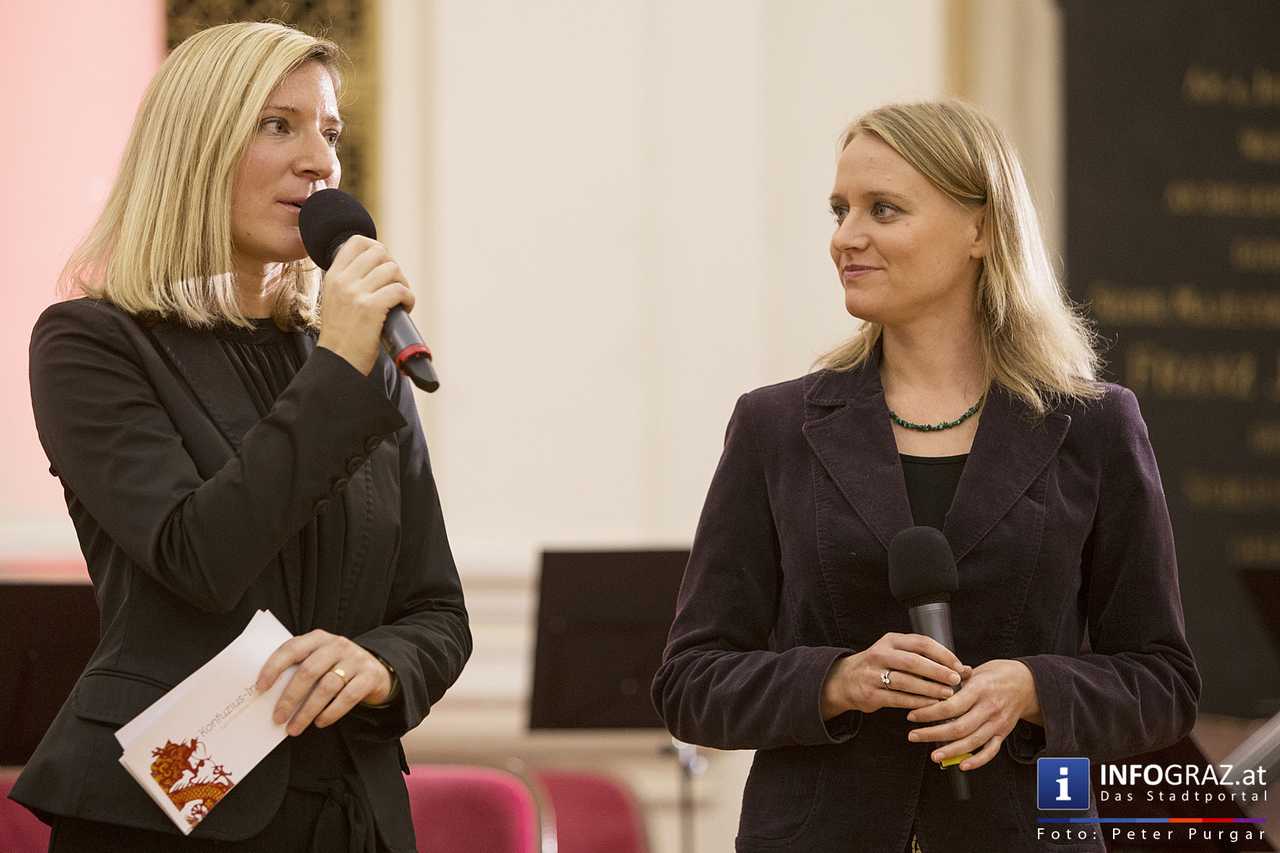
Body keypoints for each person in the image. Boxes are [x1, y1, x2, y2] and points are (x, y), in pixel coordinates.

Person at [651, 100, 1200, 852]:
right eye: (840, 209)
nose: (847, 237)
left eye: (884, 209)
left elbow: (1163, 683)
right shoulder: (773, 427)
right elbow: (691, 683)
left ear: (980, 228)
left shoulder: (1095, 427)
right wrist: (837, 678)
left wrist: (1034, 688)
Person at [10, 22, 471, 853]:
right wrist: (337, 364)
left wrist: (382, 665)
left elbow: (437, 609)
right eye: (276, 124)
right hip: (163, 820)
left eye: (328, 133)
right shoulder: (92, 343)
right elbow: (199, 554)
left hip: (352, 818)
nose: (319, 161)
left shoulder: (364, 365)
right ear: (194, 149)